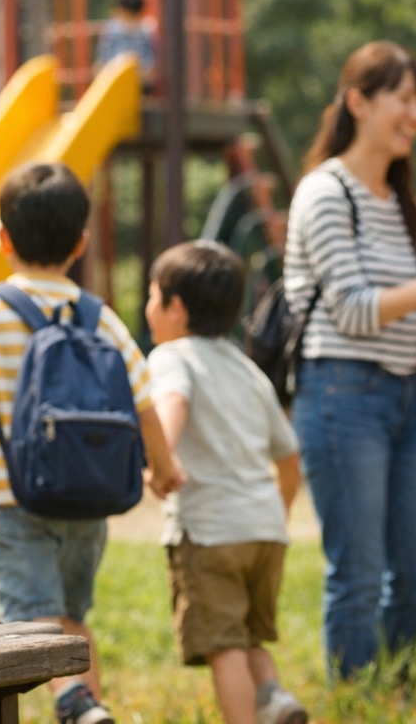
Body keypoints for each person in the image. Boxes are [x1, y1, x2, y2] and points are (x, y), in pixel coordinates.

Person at [0, 162, 182, 724]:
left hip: (14, 497)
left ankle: (74, 701)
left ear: (4, 240)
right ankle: (89, 706)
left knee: (33, 622)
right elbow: (145, 404)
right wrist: (164, 468)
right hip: (89, 498)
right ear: (80, 244)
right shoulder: (101, 318)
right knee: (71, 617)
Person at [282, 40, 416, 680]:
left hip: (403, 398)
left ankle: (388, 685)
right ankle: (356, 695)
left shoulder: (401, 203)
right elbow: (354, 310)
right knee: (359, 574)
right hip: (341, 394)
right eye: (404, 98)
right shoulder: (326, 191)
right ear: (359, 102)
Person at [144, 241, 308, 724]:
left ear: (175, 308)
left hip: (211, 531)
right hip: (265, 531)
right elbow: (289, 456)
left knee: (223, 648)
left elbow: (172, 403)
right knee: (248, 636)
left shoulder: (171, 357)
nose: (149, 308)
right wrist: (278, 513)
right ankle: (275, 697)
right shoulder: (248, 369)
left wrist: (162, 461)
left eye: (152, 296)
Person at [94, 0, 156, 91]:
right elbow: (150, 63)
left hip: (120, 81)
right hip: (132, 81)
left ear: (123, 10)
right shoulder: (147, 30)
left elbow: (102, 59)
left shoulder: (111, 29)